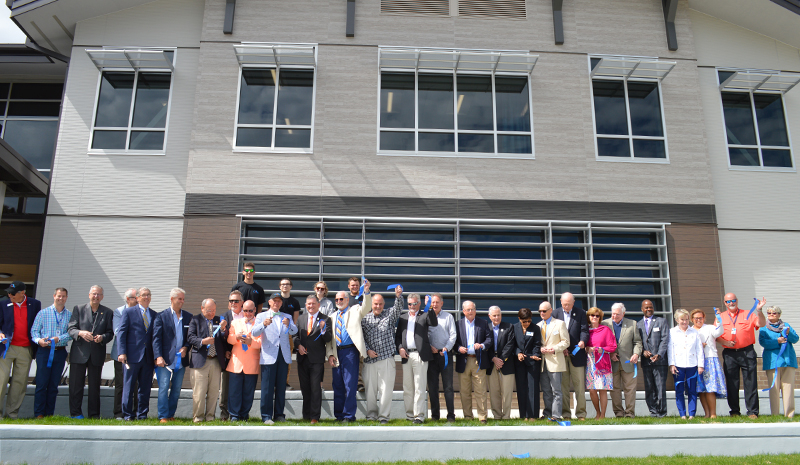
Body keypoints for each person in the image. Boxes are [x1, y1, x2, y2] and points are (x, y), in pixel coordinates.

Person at [326, 282, 372, 422]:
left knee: (350, 385)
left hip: (350, 352)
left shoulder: (355, 310)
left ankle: (349, 415)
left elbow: (367, 307)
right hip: (336, 353)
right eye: (336, 299)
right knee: (337, 385)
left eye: (341, 299)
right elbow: (329, 339)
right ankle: (339, 415)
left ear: (347, 299)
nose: (339, 301)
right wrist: (330, 354)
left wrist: (367, 292)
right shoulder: (332, 316)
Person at [67, 285, 114, 419]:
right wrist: (80, 333)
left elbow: (110, 333)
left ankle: (94, 415)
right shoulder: (79, 309)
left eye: (99, 294)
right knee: (76, 386)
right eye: (94, 294)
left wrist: (102, 338)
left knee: (94, 387)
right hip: (79, 353)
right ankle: (75, 413)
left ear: (102, 297)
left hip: (97, 354)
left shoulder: (107, 312)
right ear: (89, 295)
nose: (96, 296)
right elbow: (71, 328)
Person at [717, 293, 766, 418]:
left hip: (747, 352)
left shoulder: (748, 314)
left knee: (750, 382)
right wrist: (725, 342)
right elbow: (716, 336)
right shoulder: (720, 316)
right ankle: (734, 411)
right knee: (732, 383)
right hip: (729, 354)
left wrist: (759, 311)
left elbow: (761, 324)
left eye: (733, 300)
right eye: (728, 301)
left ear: (737, 301)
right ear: (725, 303)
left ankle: (752, 412)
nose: (731, 303)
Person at [252, 293, 298, 424]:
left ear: (281, 303)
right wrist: (264, 325)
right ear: (270, 302)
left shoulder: (287, 316)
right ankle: (266, 416)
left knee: (281, 386)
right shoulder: (261, 316)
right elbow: (254, 332)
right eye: (275, 301)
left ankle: (279, 414)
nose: (277, 303)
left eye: (279, 301)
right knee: (267, 387)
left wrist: (289, 324)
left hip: (283, 355)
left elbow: (294, 332)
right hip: (268, 356)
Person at [0, 281, 42, 419]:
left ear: (22, 293)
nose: (9, 295)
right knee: (1, 379)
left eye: (12, 293)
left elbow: (36, 324)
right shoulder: (2, 303)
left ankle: (12, 414)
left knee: (20, 382)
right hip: (6, 347)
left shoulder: (35, 304)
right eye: (8, 292)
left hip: (26, 349)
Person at [361, 288, 403, 423]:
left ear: (383, 305)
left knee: (386, 390)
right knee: (370, 391)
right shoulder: (364, 319)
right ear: (371, 305)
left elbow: (398, 308)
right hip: (369, 360)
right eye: (375, 304)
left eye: (380, 304)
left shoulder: (389, 316)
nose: (378, 306)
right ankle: (371, 416)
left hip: (386, 359)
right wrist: (367, 350)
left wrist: (398, 296)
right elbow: (360, 338)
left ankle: (384, 417)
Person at [396, 291, 437, 424]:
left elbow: (434, 322)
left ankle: (419, 416)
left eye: (414, 303)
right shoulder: (402, 317)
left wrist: (429, 306)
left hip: (420, 355)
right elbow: (398, 337)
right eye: (409, 304)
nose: (412, 306)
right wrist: (400, 348)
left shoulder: (424, 315)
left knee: (419, 386)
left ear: (419, 303)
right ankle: (409, 415)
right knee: (408, 387)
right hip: (406, 355)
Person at [152, 288, 192, 423]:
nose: (182, 301)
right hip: (165, 360)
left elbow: (190, 337)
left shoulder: (188, 316)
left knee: (176, 389)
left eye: (183, 299)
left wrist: (186, 347)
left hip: (180, 361)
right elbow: (156, 338)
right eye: (179, 299)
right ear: (172, 299)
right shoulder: (161, 316)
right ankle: (162, 416)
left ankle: (170, 414)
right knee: (163, 387)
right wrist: (158, 356)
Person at [117, 287, 157, 420]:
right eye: (144, 295)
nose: (146, 297)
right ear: (138, 298)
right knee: (129, 387)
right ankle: (128, 415)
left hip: (148, 357)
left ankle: (142, 414)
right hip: (132, 356)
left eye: (149, 295)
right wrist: (122, 352)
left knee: (145, 388)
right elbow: (121, 333)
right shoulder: (129, 312)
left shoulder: (154, 314)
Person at [30, 288, 71, 418]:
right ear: (54, 296)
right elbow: (34, 331)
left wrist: (59, 339)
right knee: (42, 384)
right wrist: (39, 340)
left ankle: (49, 414)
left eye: (63, 296)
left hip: (60, 352)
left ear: (66, 298)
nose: (61, 298)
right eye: (59, 296)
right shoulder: (43, 313)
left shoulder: (70, 315)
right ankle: (39, 414)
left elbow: (71, 333)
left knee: (54, 385)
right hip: (44, 351)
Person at [187, 298, 227, 422]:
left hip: (215, 361)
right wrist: (202, 341)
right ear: (202, 308)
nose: (212, 313)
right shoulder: (195, 320)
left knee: (214, 392)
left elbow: (223, 338)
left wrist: (223, 329)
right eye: (209, 310)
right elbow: (190, 337)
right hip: (200, 361)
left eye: (214, 310)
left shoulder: (218, 320)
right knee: (199, 392)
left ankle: (210, 417)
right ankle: (198, 417)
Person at [295, 295, 331, 423]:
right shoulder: (300, 318)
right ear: (306, 305)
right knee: (305, 389)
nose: (311, 306)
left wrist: (323, 329)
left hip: (317, 360)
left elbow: (328, 338)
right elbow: (295, 336)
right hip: (302, 359)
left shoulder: (325, 319)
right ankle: (306, 415)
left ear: (318, 304)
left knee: (315, 388)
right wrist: (298, 345)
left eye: (313, 304)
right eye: (309, 304)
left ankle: (315, 416)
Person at [552, 292, 589, 421]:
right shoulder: (555, 314)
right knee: (564, 386)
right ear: (561, 302)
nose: (566, 306)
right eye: (564, 303)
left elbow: (584, 330)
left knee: (579, 387)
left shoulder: (581, 313)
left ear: (573, 302)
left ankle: (581, 414)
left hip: (577, 354)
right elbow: (552, 334)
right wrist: (561, 348)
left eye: (568, 304)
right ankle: (566, 413)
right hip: (561, 355)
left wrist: (583, 341)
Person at [602, 302, 642, 418]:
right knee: (614, 390)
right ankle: (619, 413)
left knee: (630, 389)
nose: (614, 316)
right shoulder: (605, 324)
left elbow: (637, 342)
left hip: (628, 362)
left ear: (623, 313)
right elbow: (602, 342)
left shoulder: (632, 324)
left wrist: (636, 353)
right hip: (611, 362)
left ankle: (629, 413)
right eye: (613, 314)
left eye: (617, 314)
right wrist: (610, 354)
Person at [455, 300, 492, 423]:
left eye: (472, 309)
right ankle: (468, 416)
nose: (470, 311)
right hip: (463, 360)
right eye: (468, 309)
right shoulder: (458, 324)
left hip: (478, 361)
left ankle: (482, 417)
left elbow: (489, 339)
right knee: (465, 391)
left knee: (480, 391)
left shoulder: (483, 323)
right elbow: (453, 341)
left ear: (475, 310)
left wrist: (481, 345)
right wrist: (458, 348)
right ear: (463, 311)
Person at [759, 305, 798, 418]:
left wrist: (789, 333)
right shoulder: (763, 328)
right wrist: (777, 341)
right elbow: (763, 343)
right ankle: (775, 415)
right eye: (769, 313)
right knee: (774, 389)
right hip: (772, 362)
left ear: (779, 315)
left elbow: (795, 339)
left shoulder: (786, 326)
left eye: (774, 313)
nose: (771, 315)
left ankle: (789, 415)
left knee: (788, 389)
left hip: (788, 361)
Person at [226, 300, 262, 421]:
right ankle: (234, 415)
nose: (247, 313)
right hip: (236, 362)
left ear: (255, 310)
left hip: (252, 362)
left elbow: (262, 343)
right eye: (245, 311)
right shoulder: (235, 322)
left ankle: (244, 415)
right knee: (234, 391)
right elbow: (229, 339)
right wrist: (236, 337)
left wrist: (251, 342)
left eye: (250, 311)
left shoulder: (260, 323)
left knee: (248, 392)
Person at [668, 309, 704, 419]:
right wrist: (672, 364)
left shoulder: (694, 332)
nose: (685, 322)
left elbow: (699, 349)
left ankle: (692, 414)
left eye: (687, 320)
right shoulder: (672, 332)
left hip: (692, 364)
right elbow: (670, 349)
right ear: (677, 320)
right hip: (678, 364)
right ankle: (682, 414)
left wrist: (700, 365)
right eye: (682, 319)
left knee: (692, 389)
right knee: (679, 390)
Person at [637, 299, 669, 418]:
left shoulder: (661, 321)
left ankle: (662, 412)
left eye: (650, 307)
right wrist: (642, 351)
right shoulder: (638, 324)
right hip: (646, 362)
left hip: (660, 361)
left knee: (660, 387)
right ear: (642, 309)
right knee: (649, 387)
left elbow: (665, 340)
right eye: (646, 308)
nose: (649, 309)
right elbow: (637, 342)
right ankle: (653, 411)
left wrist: (659, 354)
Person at [427, 293, 457, 422]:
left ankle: (451, 415)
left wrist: (447, 348)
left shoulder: (448, 317)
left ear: (442, 303)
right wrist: (429, 346)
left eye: (437, 302)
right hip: (431, 356)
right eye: (432, 302)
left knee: (448, 387)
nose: (434, 304)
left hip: (445, 355)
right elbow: (422, 334)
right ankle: (435, 416)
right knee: (432, 387)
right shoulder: (426, 316)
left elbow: (453, 335)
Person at [537, 301, 569, 421]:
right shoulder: (538, 325)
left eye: (544, 311)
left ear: (550, 310)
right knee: (546, 390)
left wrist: (554, 349)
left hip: (555, 361)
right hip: (543, 362)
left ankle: (556, 415)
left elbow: (566, 341)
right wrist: (540, 349)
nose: (542, 313)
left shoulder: (560, 324)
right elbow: (537, 343)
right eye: (540, 311)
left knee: (556, 390)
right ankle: (547, 413)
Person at [692, 309, 725, 419]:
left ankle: (713, 414)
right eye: (696, 318)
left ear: (704, 318)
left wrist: (719, 320)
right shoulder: (690, 331)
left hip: (710, 359)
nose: (698, 320)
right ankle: (706, 413)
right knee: (701, 389)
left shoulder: (710, 327)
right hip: (696, 362)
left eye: (700, 318)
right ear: (692, 320)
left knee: (710, 388)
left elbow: (718, 332)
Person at [585, 307, 616, 419]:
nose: (595, 317)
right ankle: (597, 412)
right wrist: (587, 349)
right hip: (590, 362)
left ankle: (602, 415)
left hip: (602, 361)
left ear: (600, 318)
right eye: (592, 315)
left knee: (602, 389)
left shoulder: (605, 330)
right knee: (592, 389)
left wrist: (602, 349)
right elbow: (583, 345)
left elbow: (612, 346)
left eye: (597, 316)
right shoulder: (586, 330)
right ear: (588, 317)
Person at [512, 308, 542, 421]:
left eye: (529, 321)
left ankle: (533, 415)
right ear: (519, 319)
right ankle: (523, 415)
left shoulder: (535, 328)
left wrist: (535, 354)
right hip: (519, 362)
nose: (527, 323)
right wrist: (518, 353)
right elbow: (512, 344)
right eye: (524, 321)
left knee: (533, 388)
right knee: (521, 388)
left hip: (532, 362)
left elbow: (537, 343)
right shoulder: (514, 328)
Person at [112, 288, 137, 419]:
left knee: (135, 385)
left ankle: (133, 412)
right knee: (121, 384)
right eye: (135, 297)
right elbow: (117, 331)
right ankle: (119, 413)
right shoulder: (119, 312)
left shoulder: (140, 311)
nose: (138, 300)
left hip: (136, 355)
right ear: (128, 299)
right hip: (121, 354)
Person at [219, 290, 244, 421]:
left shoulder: (248, 316)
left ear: (242, 303)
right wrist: (225, 351)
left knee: (241, 387)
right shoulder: (223, 317)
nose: (233, 303)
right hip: (228, 357)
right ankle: (224, 414)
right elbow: (219, 338)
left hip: (244, 357)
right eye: (231, 301)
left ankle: (240, 413)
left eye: (236, 301)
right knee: (226, 386)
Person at [486, 306, 515, 420]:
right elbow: (485, 346)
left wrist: (501, 359)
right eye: (494, 315)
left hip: (506, 363)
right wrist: (493, 358)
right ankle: (497, 416)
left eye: (499, 315)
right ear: (489, 316)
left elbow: (510, 344)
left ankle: (506, 416)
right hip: (491, 363)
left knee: (507, 391)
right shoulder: (486, 328)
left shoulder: (509, 327)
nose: (497, 317)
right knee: (494, 391)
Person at [277, 279, 300, 390]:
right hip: (275, 335)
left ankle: (285, 383)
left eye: (287, 284)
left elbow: (295, 321)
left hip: (288, 335)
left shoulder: (294, 302)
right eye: (283, 284)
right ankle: (275, 383)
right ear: (280, 286)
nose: (285, 286)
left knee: (287, 359)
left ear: (291, 286)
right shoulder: (275, 301)